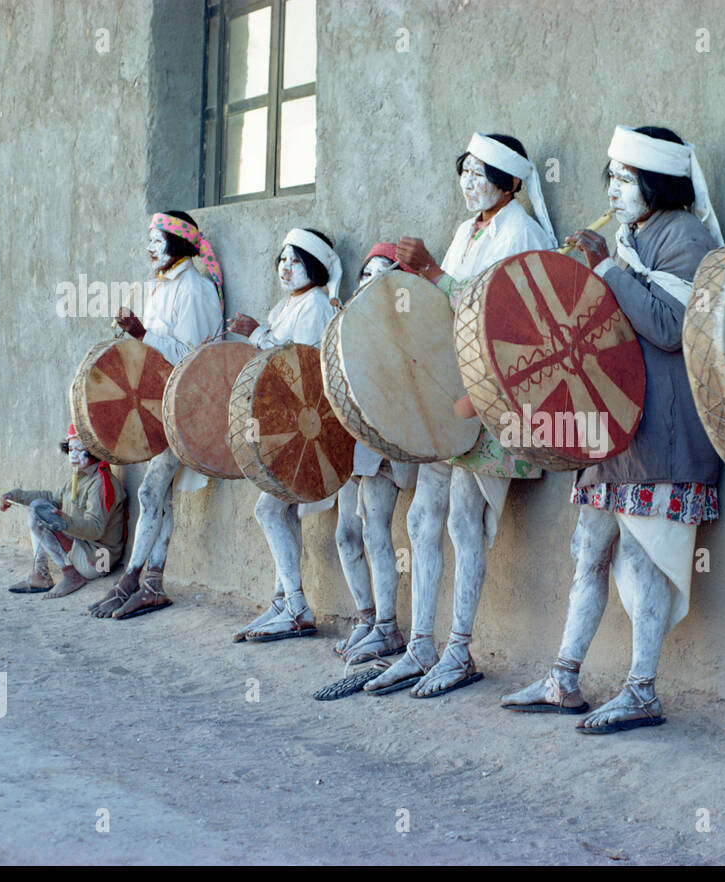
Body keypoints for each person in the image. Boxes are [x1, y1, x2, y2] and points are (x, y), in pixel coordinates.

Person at [500, 125, 723, 733]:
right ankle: (564, 678)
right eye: (612, 178)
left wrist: (610, 269)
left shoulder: (686, 236)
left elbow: (669, 327)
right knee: (590, 554)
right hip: (613, 428)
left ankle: (643, 691)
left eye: (627, 178)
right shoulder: (628, 237)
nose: (616, 190)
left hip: (662, 432)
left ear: (659, 182)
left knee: (647, 559)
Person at [358, 132, 555, 697]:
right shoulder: (468, 230)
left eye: (481, 173)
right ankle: (421, 645)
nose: (469, 183)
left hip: (493, 398)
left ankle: (460, 651)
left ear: (512, 181)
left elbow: (506, 312)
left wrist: (433, 273)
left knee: (463, 519)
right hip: (451, 394)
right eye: (464, 171)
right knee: (422, 518)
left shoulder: (523, 232)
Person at [88, 210, 223, 619]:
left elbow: (197, 360)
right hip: (159, 404)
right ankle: (152, 584)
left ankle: (131, 580)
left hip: (188, 404)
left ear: (178, 244)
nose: (149, 249)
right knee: (158, 495)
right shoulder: (159, 287)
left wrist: (143, 335)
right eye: (148, 240)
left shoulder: (195, 289)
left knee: (150, 492)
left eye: (157, 241)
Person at [227, 228, 342, 640]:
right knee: (283, 510)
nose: (286, 267)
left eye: (295, 260)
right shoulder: (288, 305)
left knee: (268, 509)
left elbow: (301, 369)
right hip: (288, 430)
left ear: (314, 267)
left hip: (306, 431)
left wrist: (257, 333)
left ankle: (295, 605)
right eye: (282, 259)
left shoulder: (313, 305)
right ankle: (282, 602)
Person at [326, 244, 417, 658]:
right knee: (347, 533)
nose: (371, 281)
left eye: (383, 272)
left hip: (384, 444)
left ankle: (387, 627)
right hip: (355, 444)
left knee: (374, 530)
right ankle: (366, 617)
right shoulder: (350, 324)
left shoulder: (404, 326)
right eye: (366, 273)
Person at [2, 424, 127, 598]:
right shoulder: (78, 477)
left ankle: (70, 574)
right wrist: (16, 495)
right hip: (84, 548)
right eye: (70, 449)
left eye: (79, 449)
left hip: (99, 560)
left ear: (93, 451)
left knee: (39, 514)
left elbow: (96, 529)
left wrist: (64, 522)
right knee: (37, 506)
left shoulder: (100, 482)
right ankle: (41, 574)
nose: (73, 455)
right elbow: (52, 498)